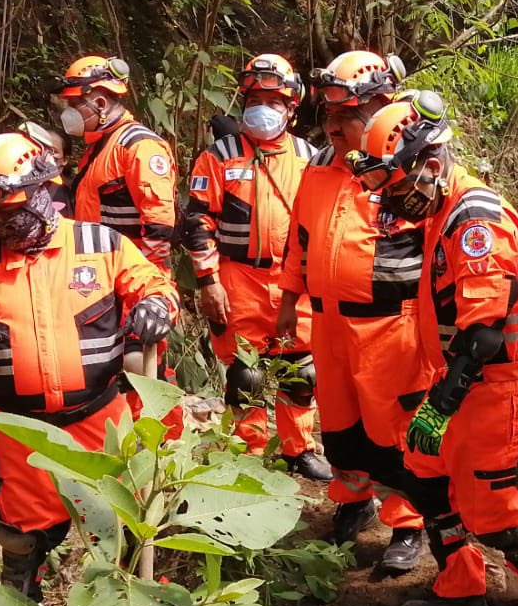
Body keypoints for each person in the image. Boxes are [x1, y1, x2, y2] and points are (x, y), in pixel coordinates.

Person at [347, 91, 518, 606]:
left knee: (489, 506)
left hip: (496, 388)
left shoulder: (476, 221)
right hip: (460, 382)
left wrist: (441, 404)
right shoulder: (444, 209)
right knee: (423, 474)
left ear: (428, 163)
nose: (393, 199)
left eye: (396, 184)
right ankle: (461, 587)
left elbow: (484, 332)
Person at [0, 130, 178, 600]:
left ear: (43, 190)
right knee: (21, 548)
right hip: (18, 434)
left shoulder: (100, 245)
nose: (1, 220)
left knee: (125, 532)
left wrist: (157, 306)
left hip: (100, 422)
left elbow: (155, 283)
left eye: (9, 206)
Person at [276, 50, 429, 573]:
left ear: (382, 105)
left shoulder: (412, 166)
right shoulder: (319, 165)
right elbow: (301, 236)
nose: (333, 126)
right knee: (340, 423)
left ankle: (407, 520)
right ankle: (352, 499)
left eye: (346, 115)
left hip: (391, 324)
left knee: (395, 428)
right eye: (329, 115)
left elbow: (441, 245)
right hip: (327, 320)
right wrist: (288, 299)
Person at [182, 54, 332, 479]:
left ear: (291, 107)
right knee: (245, 372)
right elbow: (197, 222)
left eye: (273, 99)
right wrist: (208, 281)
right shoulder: (219, 156)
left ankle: (298, 448)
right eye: (254, 97)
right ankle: (247, 453)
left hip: (294, 278)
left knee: (301, 369)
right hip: (237, 275)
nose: (262, 106)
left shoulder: (310, 157)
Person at [55, 54, 183, 425]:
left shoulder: (138, 147)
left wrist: (145, 293)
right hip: (99, 280)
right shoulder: (99, 148)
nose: (70, 112)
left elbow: (159, 226)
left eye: (75, 103)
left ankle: (161, 454)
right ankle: (119, 451)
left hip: (132, 281)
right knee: (110, 371)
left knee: (144, 371)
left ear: (99, 101)